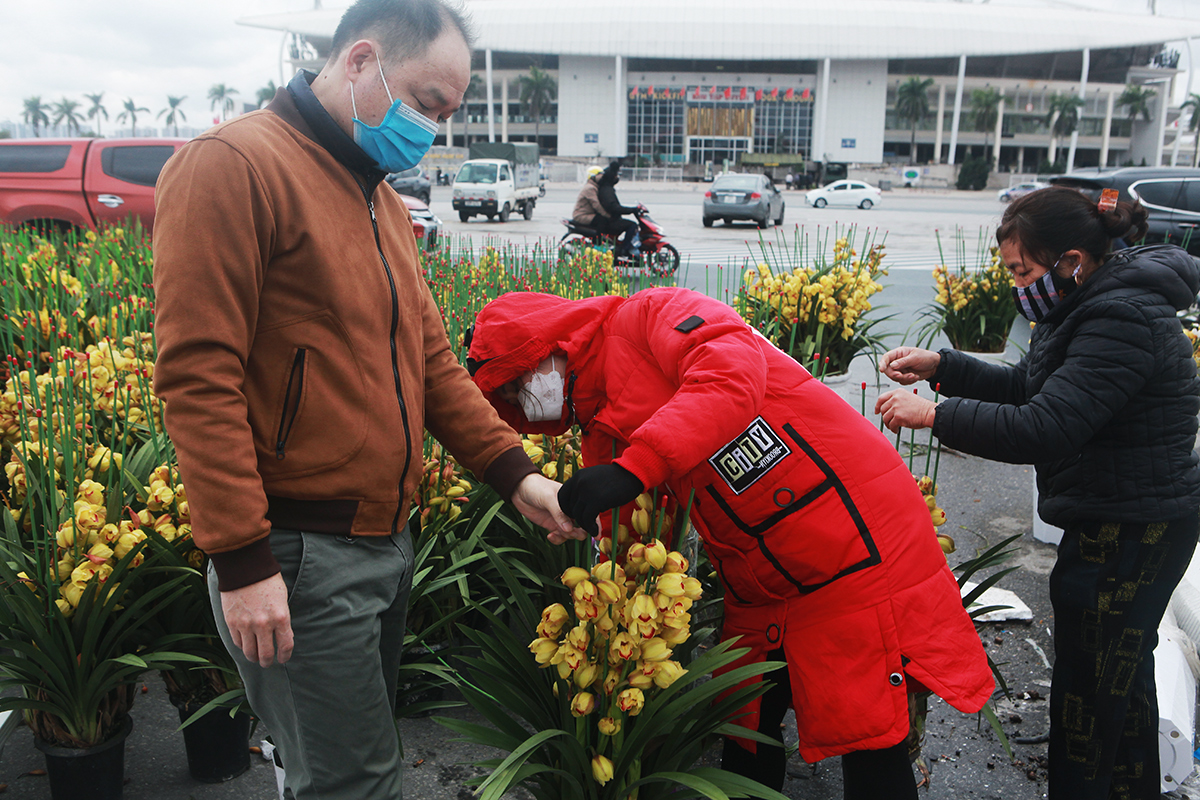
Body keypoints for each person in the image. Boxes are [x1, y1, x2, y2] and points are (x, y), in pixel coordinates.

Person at [151, 2, 585, 798]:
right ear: (359, 62)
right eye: (424, 103)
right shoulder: (233, 165)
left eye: (447, 115)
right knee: (356, 783)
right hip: (296, 551)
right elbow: (197, 375)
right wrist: (242, 560)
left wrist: (519, 477)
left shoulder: (376, 197)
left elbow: (431, 366)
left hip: (380, 544)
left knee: (338, 768)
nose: (431, 131)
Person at [466, 286, 995, 800]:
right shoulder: (601, 422)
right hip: (761, 572)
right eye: (509, 398)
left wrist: (637, 467)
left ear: (548, 348)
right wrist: (607, 588)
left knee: (868, 724)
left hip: (849, 539)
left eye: (517, 383)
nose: (522, 401)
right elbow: (632, 533)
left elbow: (731, 374)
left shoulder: (651, 314)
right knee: (745, 718)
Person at [875, 186, 1200, 800]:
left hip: (1133, 531)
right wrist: (943, 367)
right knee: (1120, 687)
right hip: (1121, 517)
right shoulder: (1091, 301)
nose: (1016, 285)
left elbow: (1047, 425)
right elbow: (1033, 384)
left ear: (1071, 260)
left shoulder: (1122, 317)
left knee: (1088, 698)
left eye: (1023, 271)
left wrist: (935, 418)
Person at [571, 160, 640, 257]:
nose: (602, 176)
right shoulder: (590, 188)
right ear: (594, 176)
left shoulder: (597, 187)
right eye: (600, 174)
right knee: (602, 220)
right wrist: (608, 216)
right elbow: (597, 205)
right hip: (581, 215)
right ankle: (599, 244)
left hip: (588, 213)